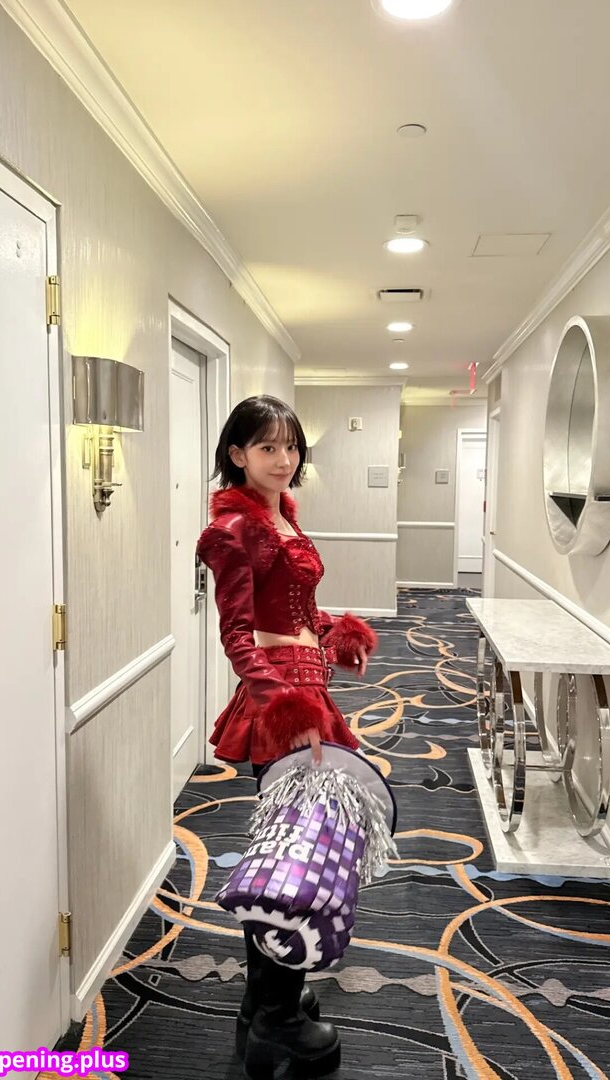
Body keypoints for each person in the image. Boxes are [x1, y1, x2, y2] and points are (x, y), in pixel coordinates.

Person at [196, 395, 378, 1078]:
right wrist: (284, 704)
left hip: (308, 693)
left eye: (291, 446)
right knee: (292, 856)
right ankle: (275, 1018)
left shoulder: (281, 514)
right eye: (267, 446)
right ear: (237, 453)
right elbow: (237, 636)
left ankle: (265, 1000)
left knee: (295, 846)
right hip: (280, 703)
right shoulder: (233, 529)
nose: (283, 458)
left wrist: (336, 633)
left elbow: (300, 608)